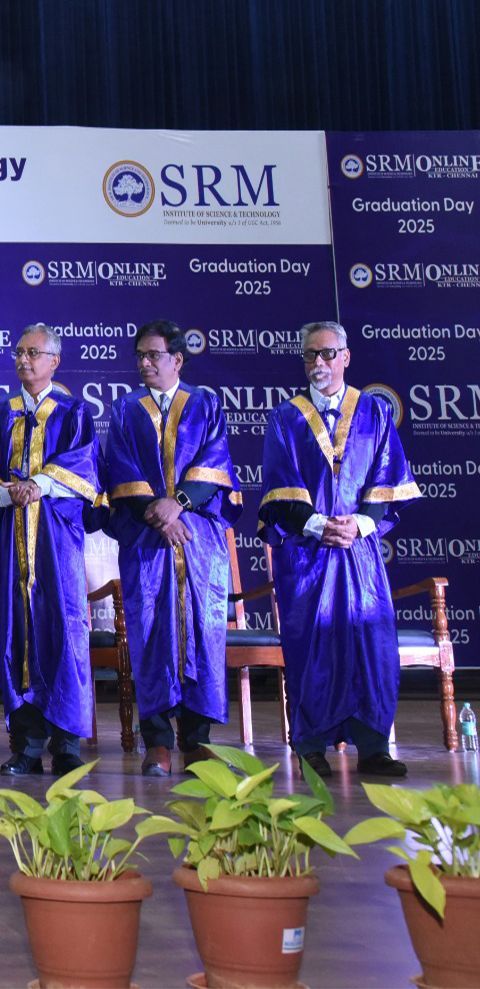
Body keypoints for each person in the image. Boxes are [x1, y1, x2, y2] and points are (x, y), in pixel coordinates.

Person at [260, 321, 421, 779]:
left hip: (359, 553)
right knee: (312, 647)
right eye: (310, 354)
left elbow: (389, 478)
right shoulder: (286, 417)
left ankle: (374, 746)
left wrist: (360, 522)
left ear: (346, 357)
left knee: (370, 643)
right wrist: (316, 524)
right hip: (308, 557)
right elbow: (278, 486)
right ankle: (311, 746)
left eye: (328, 354)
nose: (319, 363)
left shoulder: (373, 412)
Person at [103, 319, 241, 776]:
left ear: (177, 359)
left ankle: (198, 738)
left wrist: (178, 505)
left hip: (197, 538)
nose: (144, 363)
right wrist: (159, 512)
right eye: (139, 355)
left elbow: (215, 461)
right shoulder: (125, 410)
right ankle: (158, 740)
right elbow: (118, 467)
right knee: (151, 632)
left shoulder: (206, 403)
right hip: (147, 538)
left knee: (202, 630)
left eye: (153, 355)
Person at [0, 324, 100, 777]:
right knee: (15, 631)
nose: (23, 360)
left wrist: (38, 484)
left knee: (63, 631)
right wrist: (5, 491)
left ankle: (67, 742)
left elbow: (85, 471)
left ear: (55, 361)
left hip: (56, 543)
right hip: (11, 540)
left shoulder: (73, 413)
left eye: (34, 353)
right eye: (19, 352)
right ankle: (26, 743)